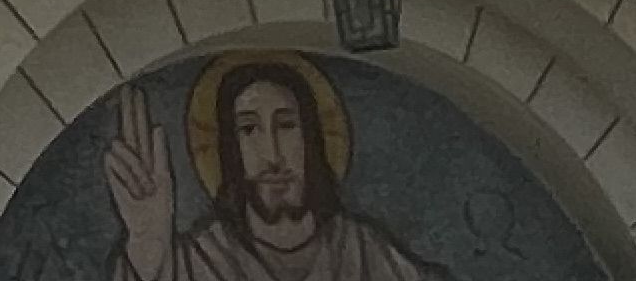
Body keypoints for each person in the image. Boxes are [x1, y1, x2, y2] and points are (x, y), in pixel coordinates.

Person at [104, 56, 448, 281]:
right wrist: (148, 246)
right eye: (248, 129)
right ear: (229, 151)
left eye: (286, 125)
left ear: (312, 139)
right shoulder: (200, 263)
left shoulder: (362, 253)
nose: (272, 155)